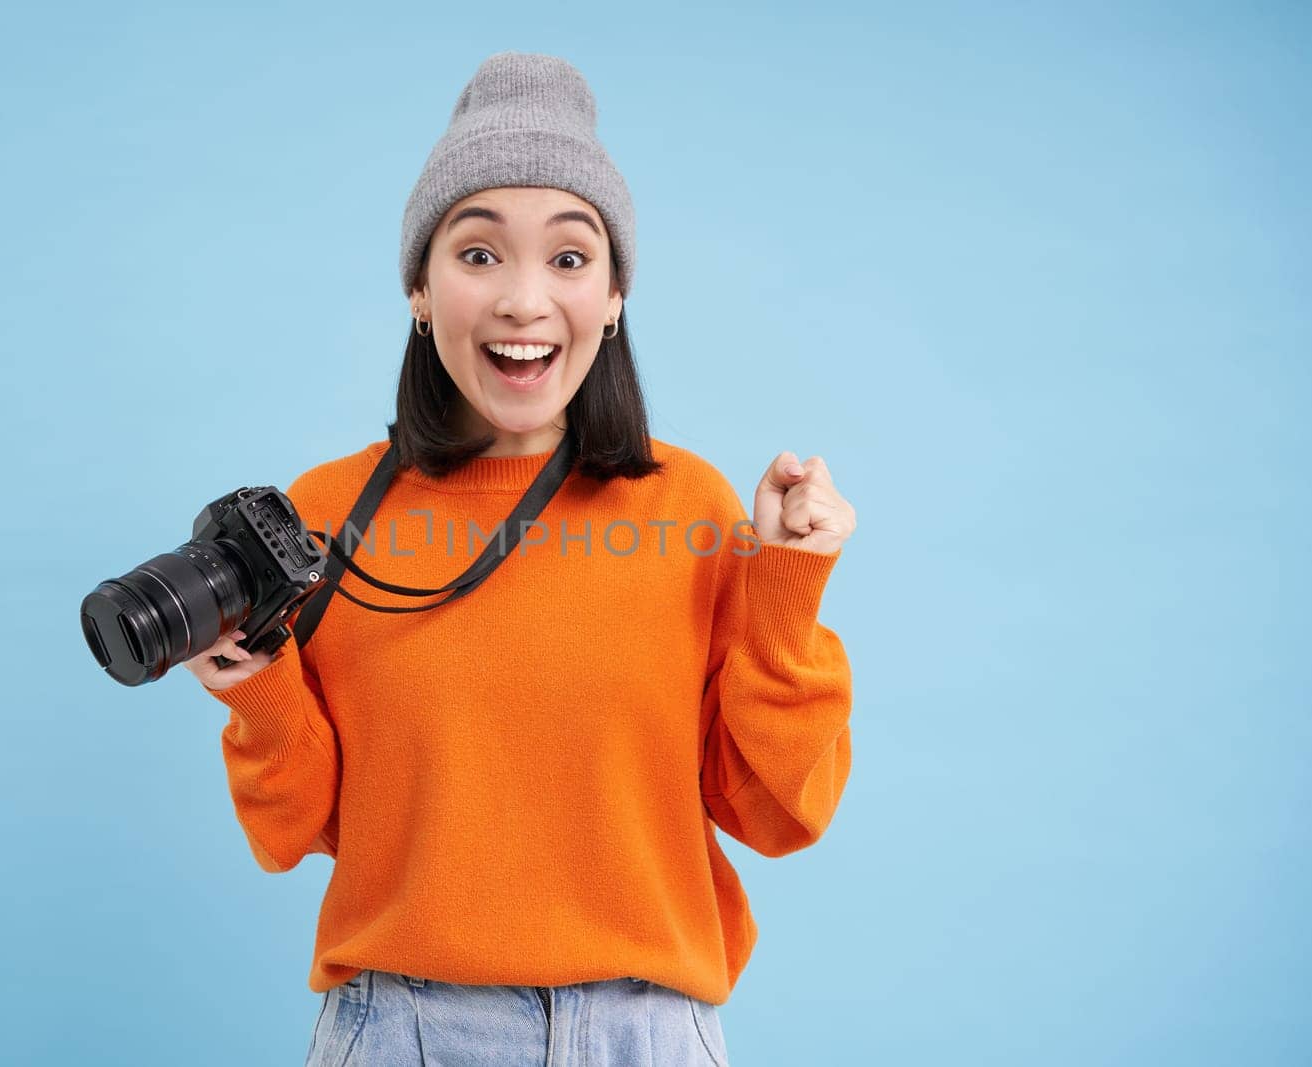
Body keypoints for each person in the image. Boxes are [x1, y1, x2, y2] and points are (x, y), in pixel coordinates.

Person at [183, 51, 857, 1067]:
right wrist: (260, 689)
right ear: (419, 285)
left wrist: (783, 589)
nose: (523, 301)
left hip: (645, 1029)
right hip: (399, 1028)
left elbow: (775, 811)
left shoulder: (688, 508)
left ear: (617, 293)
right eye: (480, 254)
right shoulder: (323, 516)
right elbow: (296, 830)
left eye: (570, 259)